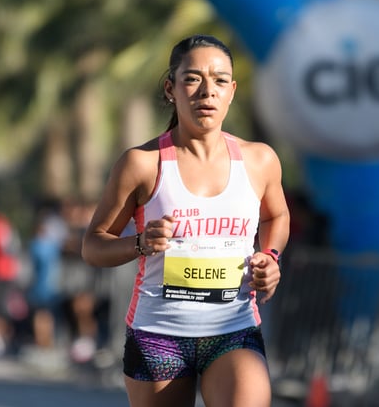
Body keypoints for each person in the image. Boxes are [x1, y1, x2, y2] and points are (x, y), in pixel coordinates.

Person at [82, 34, 290, 407]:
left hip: (233, 330)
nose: (207, 91)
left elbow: (276, 214)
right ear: (170, 88)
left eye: (220, 80)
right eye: (192, 78)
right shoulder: (141, 164)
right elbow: (94, 245)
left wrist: (270, 257)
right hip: (159, 335)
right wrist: (140, 242)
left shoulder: (260, 160)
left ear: (232, 91)